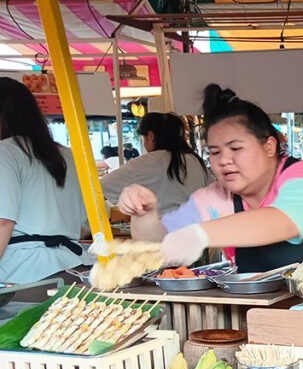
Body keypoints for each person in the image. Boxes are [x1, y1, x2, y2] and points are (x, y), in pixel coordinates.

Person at [117, 84, 303, 273]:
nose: (224, 160)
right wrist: (143, 213)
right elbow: (156, 245)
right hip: (276, 318)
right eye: (215, 152)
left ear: (268, 146)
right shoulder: (215, 197)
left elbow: (282, 222)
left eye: (235, 149)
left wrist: (198, 235)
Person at [0, 78, 87, 284]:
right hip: (72, 266)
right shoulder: (68, 155)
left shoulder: (5, 153)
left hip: (23, 273)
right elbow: (85, 225)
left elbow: (3, 222)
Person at [102, 113, 211, 215]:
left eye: (143, 138)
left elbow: (100, 188)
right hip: (199, 230)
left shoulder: (146, 162)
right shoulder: (197, 161)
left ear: (150, 136)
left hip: (162, 231)